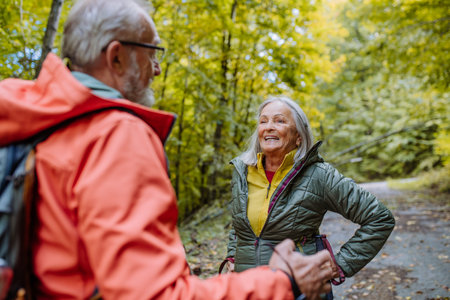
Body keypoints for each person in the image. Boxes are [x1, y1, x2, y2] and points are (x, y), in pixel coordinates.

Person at [0, 0, 335, 299]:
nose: (157, 69)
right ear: (116, 56)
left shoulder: (25, 117)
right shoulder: (115, 136)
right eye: (152, 52)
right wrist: (281, 282)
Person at [224, 96, 395, 283]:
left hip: (299, 288)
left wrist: (341, 263)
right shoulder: (242, 172)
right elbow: (240, 225)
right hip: (246, 287)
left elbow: (379, 218)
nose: (269, 126)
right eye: (263, 121)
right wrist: (232, 257)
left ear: (299, 136)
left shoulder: (319, 175)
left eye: (279, 120)